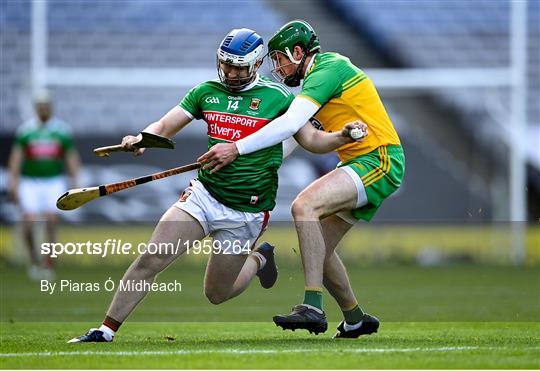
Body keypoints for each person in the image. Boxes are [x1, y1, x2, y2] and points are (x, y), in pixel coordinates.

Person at [68, 28, 363, 343]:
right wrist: (143, 139)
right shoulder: (205, 92)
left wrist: (340, 137)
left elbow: (313, 140)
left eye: (239, 67)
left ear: (257, 64)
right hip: (204, 196)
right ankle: (105, 330)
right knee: (152, 257)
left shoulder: (277, 98)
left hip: (247, 212)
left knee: (217, 293)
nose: (231, 72)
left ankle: (260, 259)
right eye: (226, 65)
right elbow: (165, 126)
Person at [198, 20, 405, 338]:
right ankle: (355, 320)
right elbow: (291, 140)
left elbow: (291, 122)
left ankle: (313, 306)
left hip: (379, 159)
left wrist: (236, 149)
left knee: (303, 205)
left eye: (279, 58)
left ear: (298, 52)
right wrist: (248, 163)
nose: (278, 68)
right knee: (317, 247)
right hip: (359, 161)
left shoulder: (328, 68)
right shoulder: (316, 83)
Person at [8, 91, 80, 281]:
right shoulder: (26, 131)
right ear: (36, 108)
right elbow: (16, 158)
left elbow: (70, 157)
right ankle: (33, 260)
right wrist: (13, 182)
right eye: (40, 106)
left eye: (46, 105)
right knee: (28, 222)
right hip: (30, 181)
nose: (44, 109)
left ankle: (49, 263)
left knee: (51, 220)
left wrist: (75, 182)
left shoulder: (61, 130)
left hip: (54, 180)